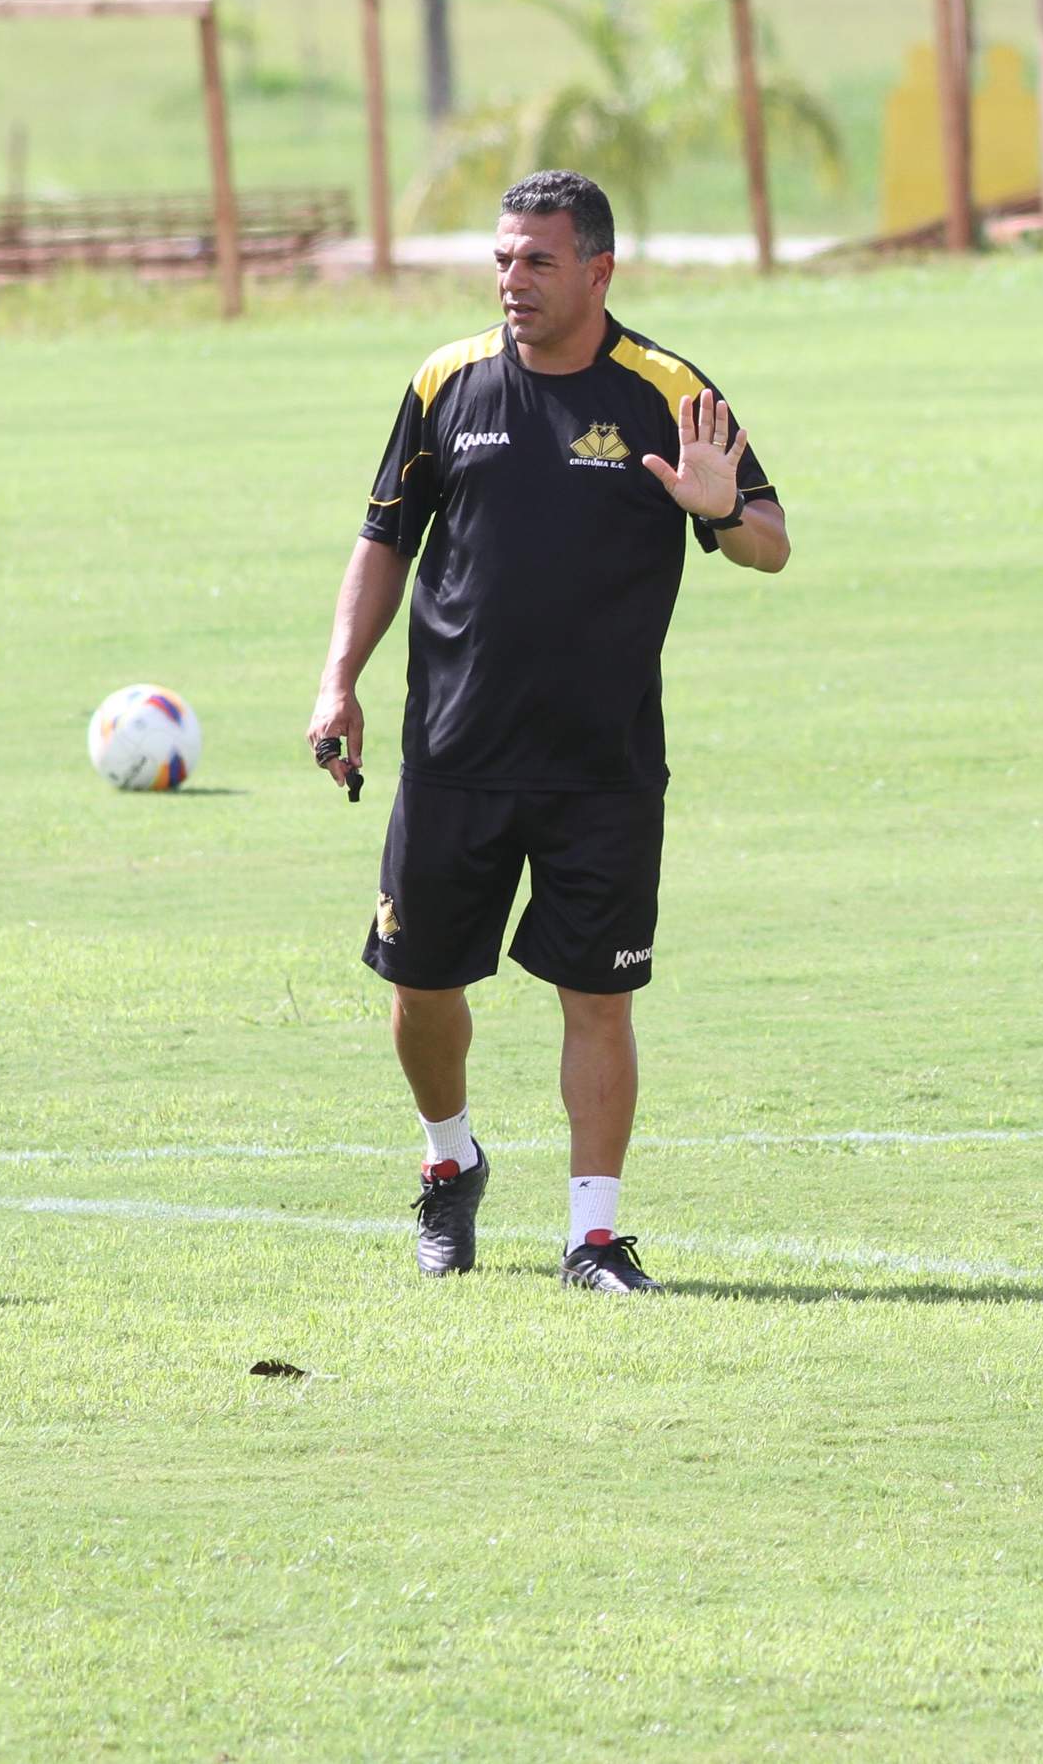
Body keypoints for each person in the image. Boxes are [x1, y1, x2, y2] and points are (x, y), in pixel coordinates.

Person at [306, 170, 790, 1293]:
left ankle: (595, 1235)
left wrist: (719, 505)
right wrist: (340, 679)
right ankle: (450, 1160)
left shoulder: (669, 390)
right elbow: (383, 541)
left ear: (599, 271)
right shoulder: (447, 382)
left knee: (599, 995)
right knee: (421, 988)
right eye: (501, 259)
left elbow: (770, 538)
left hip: (602, 762)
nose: (512, 281)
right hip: (454, 751)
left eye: (538, 261)